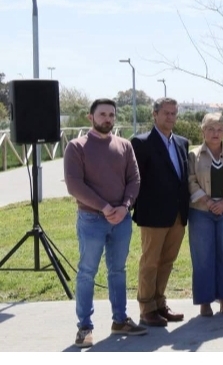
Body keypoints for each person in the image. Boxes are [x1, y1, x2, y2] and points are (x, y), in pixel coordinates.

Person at [65, 99, 147, 347]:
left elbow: (134, 179)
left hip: (121, 219)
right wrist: (104, 206)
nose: (107, 119)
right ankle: (84, 327)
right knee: (87, 272)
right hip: (91, 219)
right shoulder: (76, 147)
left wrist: (125, 206)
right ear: (90, 117)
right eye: (102, 114)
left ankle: (120, 320)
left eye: (111, 115)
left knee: (118, 270)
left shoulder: (124, 145)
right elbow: (74, 185)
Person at [131, 98, 189, 327]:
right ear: (155, 114)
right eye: (166, 113)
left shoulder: (182, 143)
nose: (170, 117)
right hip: (153, 215)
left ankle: (159, 303)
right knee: (150, 262)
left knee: (167, 261)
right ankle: (147, 309)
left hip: (178, 214)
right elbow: (135, 180)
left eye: (174, 113)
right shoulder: (141, 143)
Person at [186, 112, 223, 317]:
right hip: (201, 212)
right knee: (203, 257)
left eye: (220, 129)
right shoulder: (193, 155)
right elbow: (190, 180)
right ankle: (205, 301)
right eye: (210, 129)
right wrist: (209, 202)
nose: (215, 133)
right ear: (203, 131)